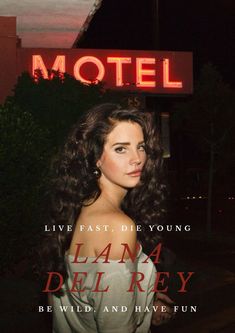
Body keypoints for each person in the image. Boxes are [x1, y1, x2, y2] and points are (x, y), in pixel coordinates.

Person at [41, 103, 175, 333]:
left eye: (140, 146)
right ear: (95, 158)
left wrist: (146, 299)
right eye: (121, 149)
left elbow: (79, 298)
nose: (137, 159)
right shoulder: (117, 226)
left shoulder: (77, 208)